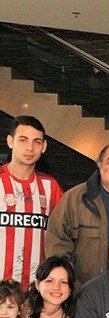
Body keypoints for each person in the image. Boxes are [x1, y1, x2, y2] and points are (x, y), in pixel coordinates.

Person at [45, 143, 109, 290]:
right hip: (86, 295)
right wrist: (71, 287)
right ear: (99, 165)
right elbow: (57, 243)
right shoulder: (75, 199)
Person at [1, 116, 63, 292]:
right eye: (23, 140)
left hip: (36, 291)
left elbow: (63, 235)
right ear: (10, 141)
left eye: (36, 142)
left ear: (43, 147)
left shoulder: (51, 186)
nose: (30, 148)